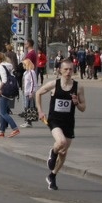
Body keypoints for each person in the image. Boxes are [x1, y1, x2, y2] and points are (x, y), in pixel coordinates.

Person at [35, 59, 87, 191]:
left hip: (69, 122)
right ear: (60, 70)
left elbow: (83, 108)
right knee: (61, 142)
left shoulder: (78, 87)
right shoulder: (54, 84)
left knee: (63, 152)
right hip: (54, 120)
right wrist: (40, 111)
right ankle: (52, 153)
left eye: (71, 69)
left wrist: (76, 103)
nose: (69, 72)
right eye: (66, 69)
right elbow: (38, 93)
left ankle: (52, 176)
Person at [0, 52, 20, 138]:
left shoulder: (1, 66)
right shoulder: (9, 65)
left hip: (4, 91)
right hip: (10, 90)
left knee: (3, 112)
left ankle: (15, 128)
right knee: (2, 111)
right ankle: (1, 131)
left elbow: (4, 80)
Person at [21, 58, 39, 127]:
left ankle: (28, 122)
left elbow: (33, 82)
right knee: (26, 107)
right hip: (25, 92)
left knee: (29, 107)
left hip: (29, 92)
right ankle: (27, 121)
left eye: (24, 64)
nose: (23, 66)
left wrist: (32, 92)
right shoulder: (26, 72)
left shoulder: (31, 72)